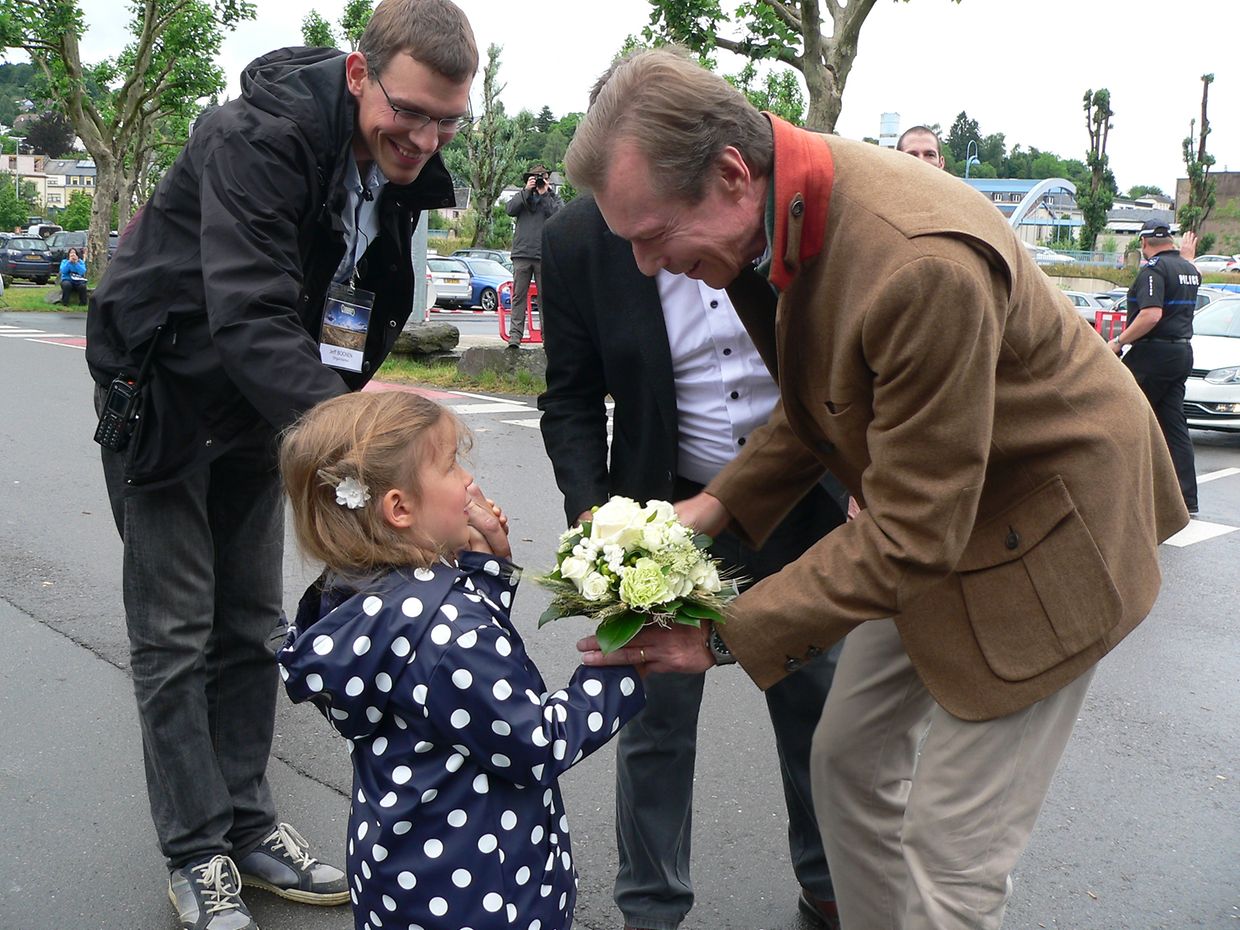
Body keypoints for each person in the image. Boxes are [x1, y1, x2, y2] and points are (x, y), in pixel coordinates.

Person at [563, 48, 1189, 930]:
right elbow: (827, 405)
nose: (641, 266)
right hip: (945, 507)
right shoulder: (791, 210)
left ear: (732, 174)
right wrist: (706, 511)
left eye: (652, 234)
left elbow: (910, 533)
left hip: (1047, 531)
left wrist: (720, 637)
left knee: (949, 855)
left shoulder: (911, 262)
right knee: (849, 764)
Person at [83, 2, 481, 928]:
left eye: (447, 120)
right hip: (169, 396)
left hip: (268, 409)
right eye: (410, 111)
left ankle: (251, 827)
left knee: (253, 627)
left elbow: (354, 319)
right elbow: (253, 314)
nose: (424, 139)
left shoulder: (397, 169)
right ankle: (196, 852)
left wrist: (337, 442)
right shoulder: (252, 139)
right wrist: (380, 447)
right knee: (177, 635)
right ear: (357, 74)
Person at [538, 194, 845, 930]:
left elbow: (839, 367)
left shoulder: (771, 208)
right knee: (654, 716)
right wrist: (595, 522)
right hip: (662, 504)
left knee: (816, 706)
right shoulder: (578, 238)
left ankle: (831, 880)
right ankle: (651, 908)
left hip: (799, 494)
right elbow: (571, 396)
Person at [276, 389, 646, 930]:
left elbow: (446, 692)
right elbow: (534, 743)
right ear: (399, 508)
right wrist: (621, 671)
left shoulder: (366, 603)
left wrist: (486, 565)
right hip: (482, 885)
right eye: (451, 465)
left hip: (404, 872)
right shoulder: (448, 630)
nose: (469, 480)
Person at [1110, 220, 1200, 514]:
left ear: (1145, 242)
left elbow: (1150, 315)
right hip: (1182, 352)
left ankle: (1123, 489)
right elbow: (1187, 275)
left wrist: (1118, 342)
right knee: (1173, 424)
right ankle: (1185, 497)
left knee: (1124, 414)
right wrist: (1187, 257)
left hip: (1154, 354)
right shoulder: (1188, 268)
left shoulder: (1154, 269)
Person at [504, 163, 562, 348]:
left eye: (542, 177)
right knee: (518, 297)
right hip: (522, 254)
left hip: (544, 255)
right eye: (535, 178)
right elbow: (509, 209)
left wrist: (546, 194)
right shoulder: (523, 196)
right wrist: (525, 191)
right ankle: (515, 338)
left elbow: (560, 215)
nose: (538, 181)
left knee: (546, 299)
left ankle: (548, 339)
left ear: (547, 179)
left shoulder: (553, 198)